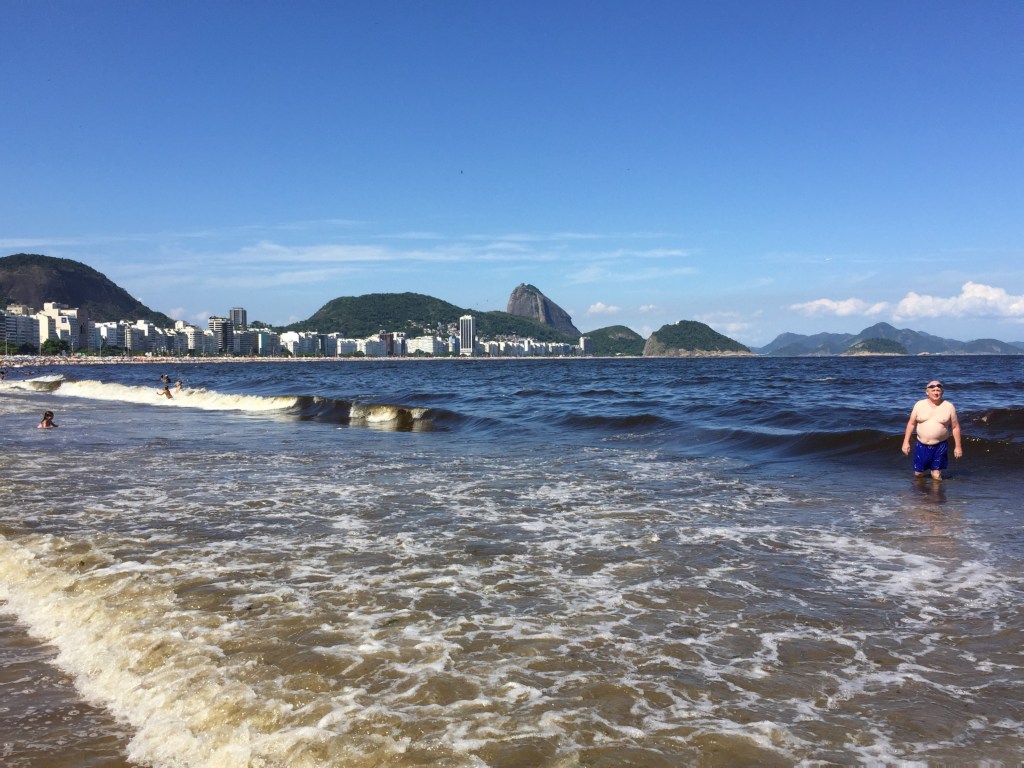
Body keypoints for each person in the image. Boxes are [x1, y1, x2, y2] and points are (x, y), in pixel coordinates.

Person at [902, 380, 963, 480]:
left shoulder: (949, 407)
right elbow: (911, 424)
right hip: (921, 445)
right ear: (927, 392)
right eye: (933, 390)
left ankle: (937, 495)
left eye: (938, 390)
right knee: (918, 474)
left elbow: (955, 427)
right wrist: (905, 442)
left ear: (942, 392)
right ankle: (920, 494)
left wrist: (958, 447)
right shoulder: (919, 405)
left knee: (936, 474)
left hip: (940, 445)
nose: (936, 392)